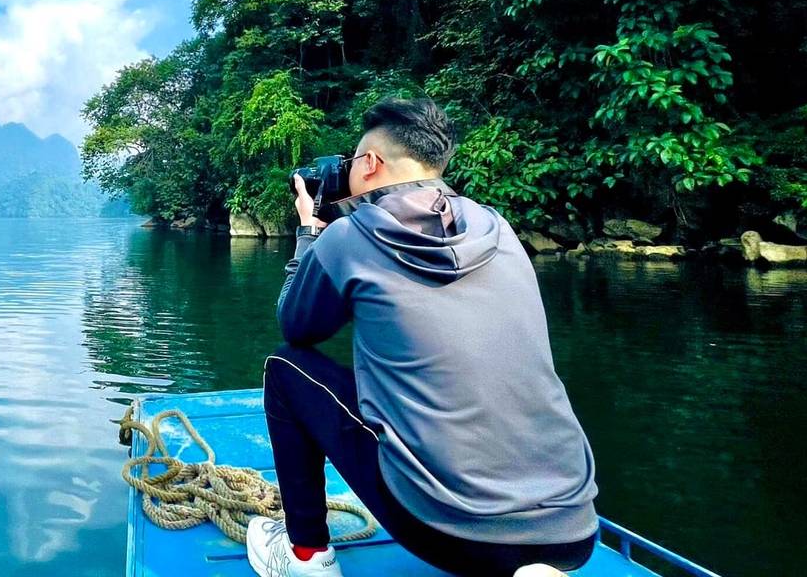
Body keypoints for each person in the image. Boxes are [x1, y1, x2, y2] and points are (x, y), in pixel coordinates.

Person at [244, 98, 599, 577]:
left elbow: (297, 325)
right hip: (574, 529)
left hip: (449, 534)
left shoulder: (347, 238)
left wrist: (310, 233)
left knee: (287, 367)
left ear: (370, 164)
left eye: (350, 162)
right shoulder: (498, 227)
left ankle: (306, 555)